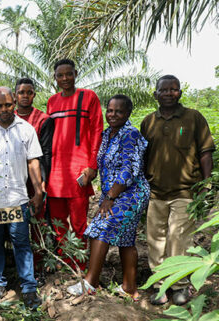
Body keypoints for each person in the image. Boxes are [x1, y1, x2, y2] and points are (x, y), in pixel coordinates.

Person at [140, 75, 215, 306]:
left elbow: (205, 153)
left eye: (174, 90)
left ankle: (180, 285)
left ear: (180, 93)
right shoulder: (148, 122)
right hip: (155, 192)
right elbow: (141, 157)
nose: (169, 93)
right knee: (155, 241)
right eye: (164, 90)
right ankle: (159, 286)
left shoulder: (194, 118)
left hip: (185, 191)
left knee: (179, 239)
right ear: (156, 94)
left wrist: (206, 185)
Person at [67, 95, 149, 301]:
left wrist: (110, 196)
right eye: (110, 110)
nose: (113, 115)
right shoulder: (107, 135)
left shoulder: (130, 134)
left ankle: (90, 283)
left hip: (130, 193)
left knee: (100, 228)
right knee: (126, 239)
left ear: (128, 113)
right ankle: (130, 287)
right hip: (114, 194)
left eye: (119, 111)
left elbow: (129, 169)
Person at [0, 87, 43, 309]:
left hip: (18, 199)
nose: (4, 110)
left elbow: (33, 161)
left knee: (21, 243)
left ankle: (29, 288)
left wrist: (38, 190)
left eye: (8, 105)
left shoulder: (26, 129)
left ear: (14, 103)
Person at [45, 59, 103, 270]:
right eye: (60, 75)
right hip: (55, 174)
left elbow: (98, 131)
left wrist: (92, 166)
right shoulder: (52, 102)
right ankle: (65, 262)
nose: (65, 79)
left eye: (68, 74)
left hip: (79, 171)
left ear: (75, 74)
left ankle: (80, 263)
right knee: (59, 223)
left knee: (79, 223)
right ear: (55, 78)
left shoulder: (89, 97)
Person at [14, 77, 53, 282]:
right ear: (15, 95)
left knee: (37, 224)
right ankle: (17, 267)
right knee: (14, 225)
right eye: (21, 92)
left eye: (29, 92)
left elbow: (45, 154)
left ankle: (39, 266)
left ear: (34, 95)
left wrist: (42, 183)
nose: (25, 96)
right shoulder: (5, 116)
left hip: (35, 180)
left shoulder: (43, 119)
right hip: (13, 181)